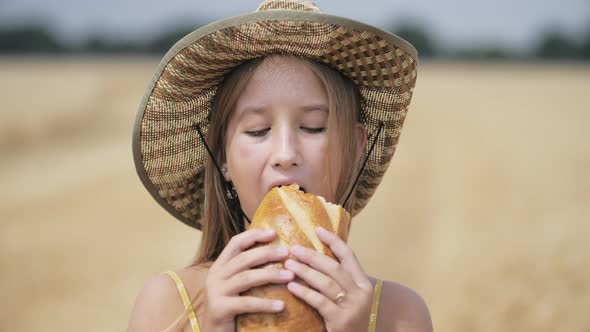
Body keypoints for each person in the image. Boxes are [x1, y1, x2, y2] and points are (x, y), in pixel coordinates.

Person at [128, 1, 432, 331]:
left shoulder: (401, 314)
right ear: (222, 156)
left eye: (314, 127)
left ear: (355, 150)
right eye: (258, 130)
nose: (285, 153)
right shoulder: (168, 303)